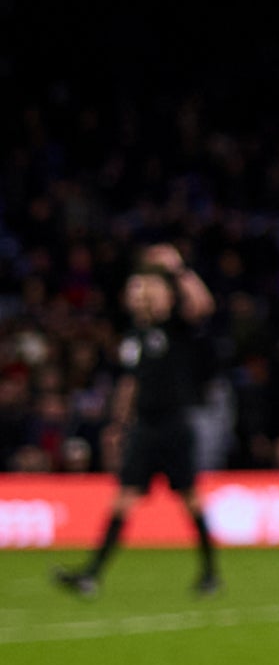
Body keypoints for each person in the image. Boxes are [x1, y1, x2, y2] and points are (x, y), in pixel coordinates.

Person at [53, 248, 224, 599]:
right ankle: (91, 574)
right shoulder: (134, 336)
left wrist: (178, 269)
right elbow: (131, 383)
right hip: (145, 427)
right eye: (138, 289)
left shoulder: (177, 326)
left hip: (175, 425)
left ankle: (210, 573)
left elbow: (203, 305)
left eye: (149, 288)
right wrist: (117, 424)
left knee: (190, 499)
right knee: (122, 500)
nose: (142, 294)